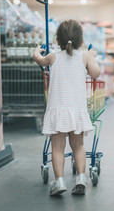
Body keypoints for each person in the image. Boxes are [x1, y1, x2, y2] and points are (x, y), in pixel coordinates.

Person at [34, 19, 100, 196]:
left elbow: (40, 61)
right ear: (81, 41)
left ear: (57, 40)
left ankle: (60, 181)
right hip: (77, 109)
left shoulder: (53, 56)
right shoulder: (84, 56)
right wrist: (91, 56)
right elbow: (96, 73)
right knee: (78, 146)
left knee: (57, 148)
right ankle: (80, 178)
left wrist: (35, 52)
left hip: (58, 110)